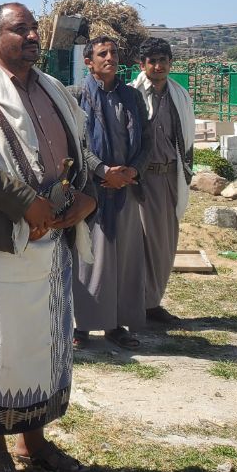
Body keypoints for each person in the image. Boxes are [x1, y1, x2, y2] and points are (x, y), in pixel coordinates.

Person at [0, 3, 96, 472]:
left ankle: (34, 442)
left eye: (34, 28)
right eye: (19, 29)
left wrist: (87, 197)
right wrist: (27, 203)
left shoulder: (53, 89)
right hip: (1, 241)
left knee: (40, 344)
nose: (32, 36)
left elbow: (81, 150)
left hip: (53, 239)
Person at [73, 37, 151, 350]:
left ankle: (116, 325)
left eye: (114, 53)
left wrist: (132, 171)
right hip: (91, 191)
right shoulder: (76, 95)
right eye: (102, 54)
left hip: (126, 190)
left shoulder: (131, 96)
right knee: (89, 259)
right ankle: (81, 325)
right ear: (88, 62)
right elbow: (74, 143)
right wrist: (102, 170)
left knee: (123, 260)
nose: (110, 58)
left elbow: (146, 140)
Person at [130, 37, 195, 325]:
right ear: (142, 65)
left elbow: (187, 140)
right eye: (152, 61)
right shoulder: (131, 94)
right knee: (137, 243)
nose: (158, 66)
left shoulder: (180, 97)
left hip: (170, 177)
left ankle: (152, 302)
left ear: (170, 63)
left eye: (163, 61)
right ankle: (134, 303)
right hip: (139, 181)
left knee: (164, 244)